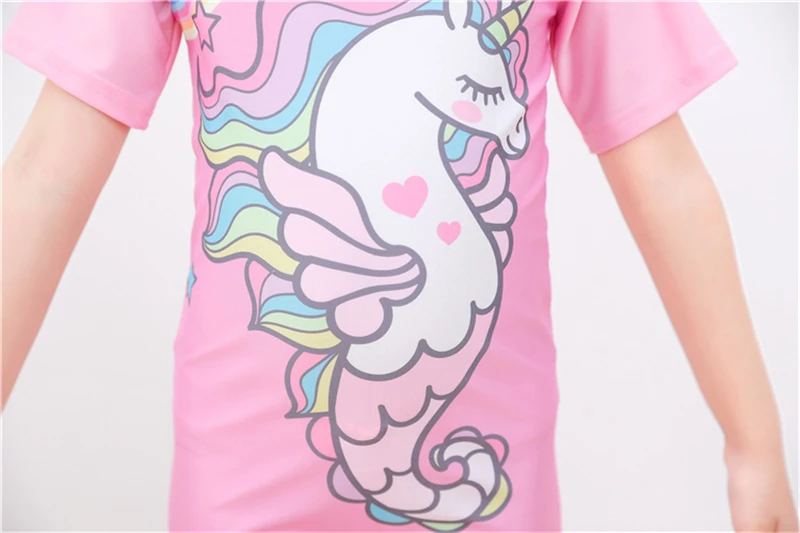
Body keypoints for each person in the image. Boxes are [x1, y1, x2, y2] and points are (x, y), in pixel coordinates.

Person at [2, 0, 796, 530]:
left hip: (494, 486)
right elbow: (45, 172)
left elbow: (662, 171)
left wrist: (753, 443)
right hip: (239, 487)